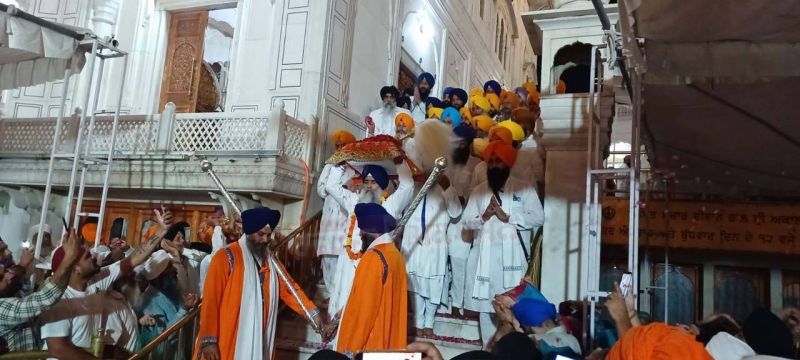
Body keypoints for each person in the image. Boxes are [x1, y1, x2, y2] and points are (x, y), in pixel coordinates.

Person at [195, 207, 324, 360]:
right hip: (227, 336)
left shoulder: (271, 262)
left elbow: (290, 289)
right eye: (261, 234)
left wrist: (312, 312)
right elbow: (211, 300)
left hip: (259, 336)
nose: (265, 240)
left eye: (269, 235)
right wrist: (209, 339)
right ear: (248, 233)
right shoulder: (225, 257)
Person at [39, 224, 165, 359]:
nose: (93, 256)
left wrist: (163, 229)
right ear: (76, 269)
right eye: (87, 256)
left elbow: (133, 259)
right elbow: (58, 349)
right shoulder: (60, 300)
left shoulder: (96, 281)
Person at [463, 140, 545, 347]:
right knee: (486, 310)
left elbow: (538, 217)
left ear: (508, 163)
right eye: (491, 161)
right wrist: (483, 216)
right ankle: (487, 350)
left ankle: (509, 352)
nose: (494, 165)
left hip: (513, 263)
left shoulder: (523, 188)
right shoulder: (479, 191)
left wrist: (508, 217)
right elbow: (466, 221)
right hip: (485, 263)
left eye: (498, 161)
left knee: (511, 312)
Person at [324, 161, 414, 328]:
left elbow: (407, 186)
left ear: (382, 185)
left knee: (368, 313)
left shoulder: (390, 205)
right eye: (367, 182)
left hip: (375, 266)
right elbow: (331, 186)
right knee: (343, 300)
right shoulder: (353, 201)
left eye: (374, 182)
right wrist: (340, 163)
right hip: (348, 264)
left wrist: (399, 162)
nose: (370, 186)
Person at [328, 203, 408, 356]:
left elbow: (363, 313)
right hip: (388, 348)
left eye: (362, 229)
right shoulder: (395, 254)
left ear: (371, 231)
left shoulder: (373, 257)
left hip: (370, 346)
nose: (359, 234)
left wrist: (349, 351)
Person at [0, 229, 80, 353]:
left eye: (6, 271)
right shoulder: (2, 309)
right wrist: (69, 258)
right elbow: (43, 299)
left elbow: (35, 298)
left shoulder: (10, 290)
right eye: (1, 277)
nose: (9, 275)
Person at [317, 130, 358, 297]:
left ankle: (339, 294)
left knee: (341, 251)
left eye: (343, 145)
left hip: (344, 212)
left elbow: (355, 187)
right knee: (327, 253)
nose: (340, 148)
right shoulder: (330, 164)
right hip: (329, 210)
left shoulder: (356, 166)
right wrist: (329, 192)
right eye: (338, 146)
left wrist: (343, 189)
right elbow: (321, 187)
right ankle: (329, 293)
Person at [447, 125, 480, 314]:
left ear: (468, 144)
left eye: (461, 142)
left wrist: (464, 198)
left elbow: (476, 191)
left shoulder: (476, 164)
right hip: (446, 219)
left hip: (464, 223)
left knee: (460, 264)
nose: (457, 146)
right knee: (443, 264)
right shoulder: (447, 163)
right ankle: (445, 302)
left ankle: (459, 304)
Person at [510, 298, 581, 358]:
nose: (528, 332)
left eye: (528, 330)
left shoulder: (539, 339)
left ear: (544, 324)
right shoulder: (573, 340)